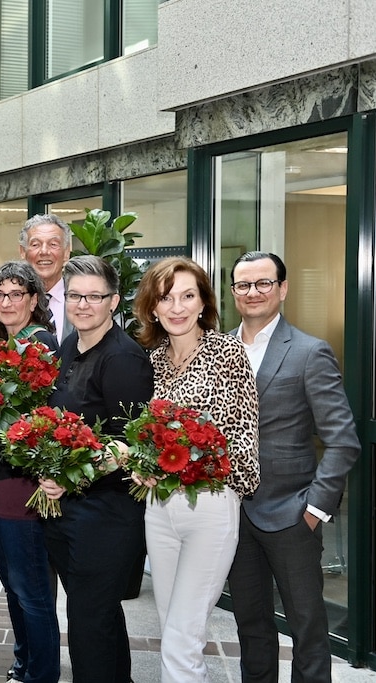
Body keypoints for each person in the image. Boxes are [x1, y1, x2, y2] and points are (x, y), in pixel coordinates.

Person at [226, 251, 360, 683]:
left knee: (308, 629)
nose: (253, 292)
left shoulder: (308, 352)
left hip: (291, 515)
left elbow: (343, 439)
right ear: (233, 294)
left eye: (264, 283)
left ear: (283, 289)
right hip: (233, 512)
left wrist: (315, 508)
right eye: (244, 285)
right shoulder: (218, 351)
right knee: (250, 625)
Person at [132, 256, 260, 683]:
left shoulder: (227, 352)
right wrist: (141, 463)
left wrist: (194, 461)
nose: (177, 307)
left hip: (210, 503)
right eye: (166, 298)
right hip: (159, 508)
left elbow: (243, 437)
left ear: (204, 302)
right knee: (174, 627)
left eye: (188, 296)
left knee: (182, 638)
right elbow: (139, 435)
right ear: (152, 307)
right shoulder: (150, 361)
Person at [36, 255, 153, 682]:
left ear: (114, 300)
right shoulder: (68, 347)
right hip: (68, 510)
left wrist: (68, 477)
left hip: (106, 513)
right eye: (76, 296)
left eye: (95, 296)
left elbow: (130, 442)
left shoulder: (123, 359)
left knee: (89, 618)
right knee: (95, 616)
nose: (83, 304)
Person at [0, 261, 61, 683]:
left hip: (23, 484)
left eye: (16, 294)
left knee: (31, 590)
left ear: (34, 299)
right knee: (14, 585)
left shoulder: (41, 345)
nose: (7, 302)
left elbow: (43, 417)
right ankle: (24, 660)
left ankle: (41, 672)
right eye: (0, 294)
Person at [18, 214, 72, 344]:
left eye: (53, 244)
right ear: (22, 251)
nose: (44, 251)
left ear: (66, 252)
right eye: (35, 245)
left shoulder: (81, 299)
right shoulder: (10, 302)